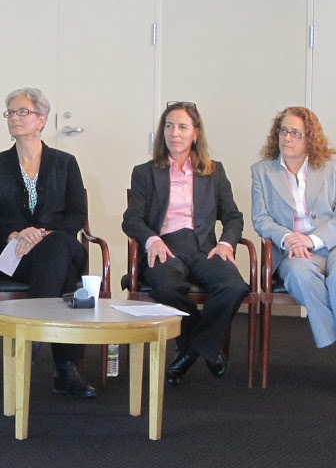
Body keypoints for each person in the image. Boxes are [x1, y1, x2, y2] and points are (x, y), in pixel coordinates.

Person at [0, 87, 97, 398]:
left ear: (41, 120)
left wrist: (40, 234)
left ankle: (30, 339)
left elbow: (77, 215)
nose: (14, 118)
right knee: (63, 274)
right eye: (10, 113)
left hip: (56, 245)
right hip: (15, 255)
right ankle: (64, 368)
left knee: (56, 248)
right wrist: (14, 234)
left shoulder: (65, 163)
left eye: (22, 112)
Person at [122, 101, 248, 387]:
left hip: (204, 247)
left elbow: (233, 216)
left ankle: (191, 351)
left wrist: (226, 244)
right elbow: (132, 219)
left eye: (182, 127)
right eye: (169, 126)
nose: (174, 133)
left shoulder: (214, 171)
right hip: (165, 246)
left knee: (234, 286)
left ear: (195, 133)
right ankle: (205, 346)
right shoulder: (145, 172)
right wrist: (152, 239)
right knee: (166, 287)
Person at [251, 107, 336, 349]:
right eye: (283, 131)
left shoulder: (331, 167)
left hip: (330, 244)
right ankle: (330, 336)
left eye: (296, 133)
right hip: (292, 251)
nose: (287, 138)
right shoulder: (262, 171)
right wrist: (288, 237)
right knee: (300, 275)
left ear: (310, 138)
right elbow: (261, 218)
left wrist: (313, 239)